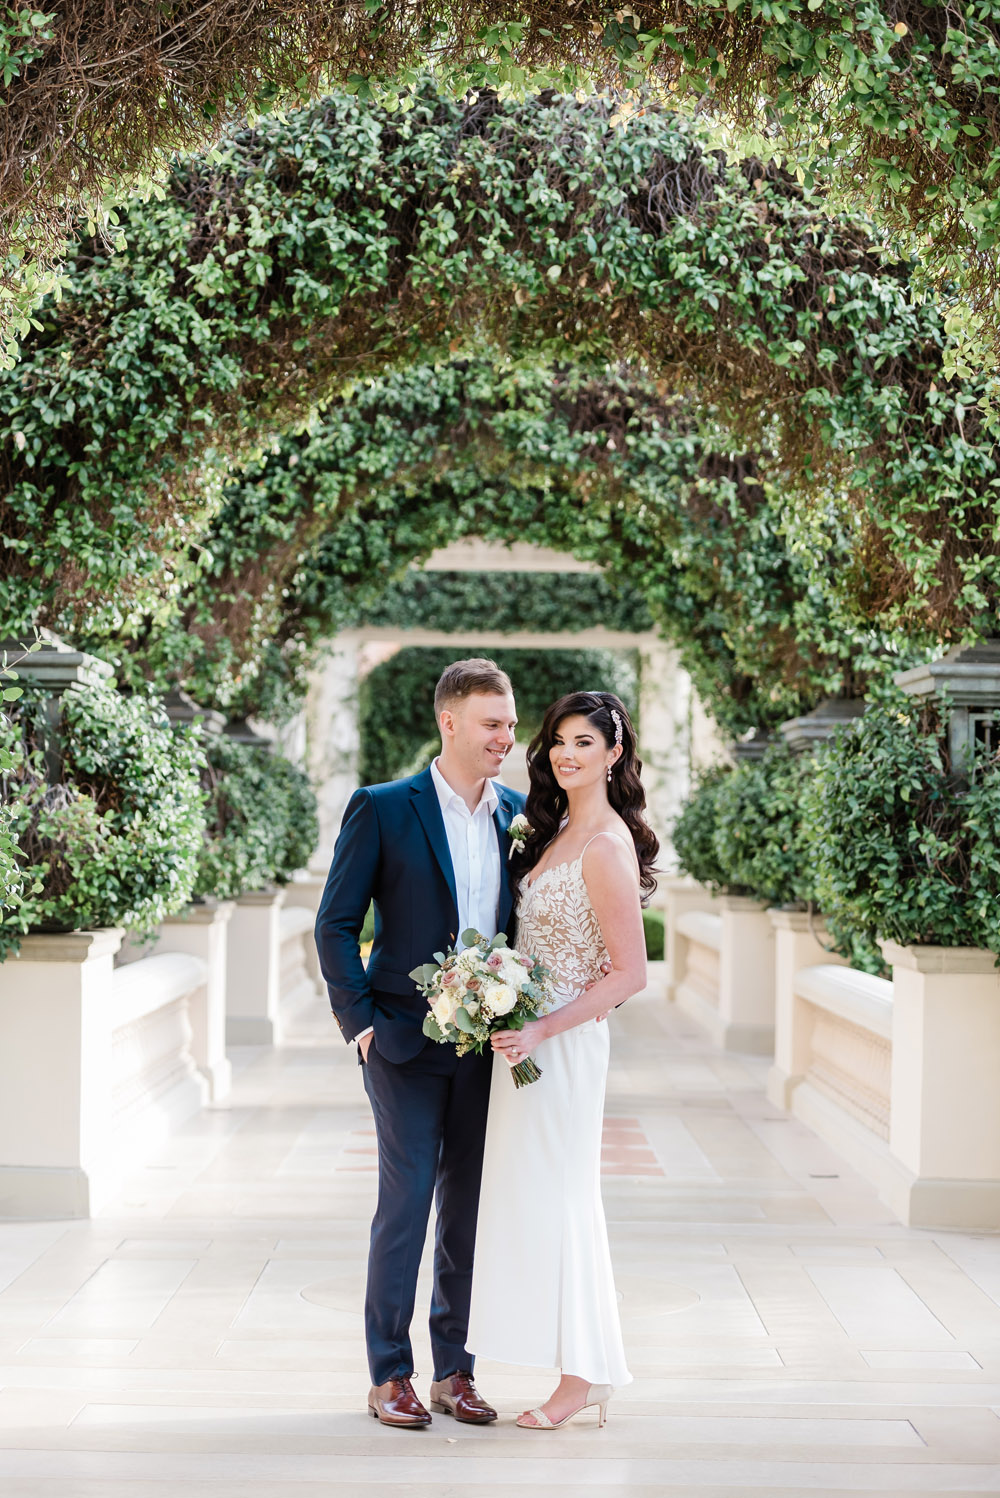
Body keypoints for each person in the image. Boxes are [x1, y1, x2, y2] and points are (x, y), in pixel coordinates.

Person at [314, 658, 525, 1429]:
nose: (507, 736)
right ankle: (389, 1375)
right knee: (403, 1207)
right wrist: (361, 1024)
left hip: (485, 1049)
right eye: (492, 723)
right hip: (401, 1041)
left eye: (510, 723)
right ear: (450, 722)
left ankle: (456, 1371)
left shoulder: (520, 815)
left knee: (467, 1210)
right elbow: (335, 924)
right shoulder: (382, 807)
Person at [467, 690, 658, 1430]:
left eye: (584, 742)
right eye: (558, 741)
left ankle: (582, 1378)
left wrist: (543, 1029)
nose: (566, 754)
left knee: (565, 1199)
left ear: (614, 754)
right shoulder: (549, 834)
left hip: (565, 1048)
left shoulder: (606, 845)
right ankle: (583, 1368)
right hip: (524, 1040)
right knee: (534, 1201)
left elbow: (628, 974)